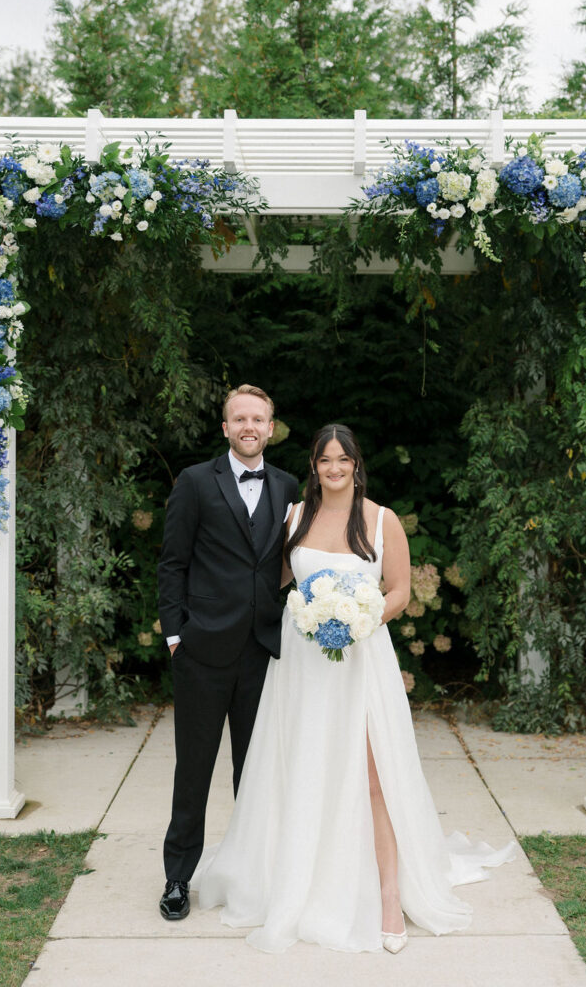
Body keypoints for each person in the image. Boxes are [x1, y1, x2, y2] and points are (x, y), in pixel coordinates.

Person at [190, 423, 516, 952]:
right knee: (302, 770)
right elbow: (266, 578)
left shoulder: (383, 520)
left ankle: (389, 895)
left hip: (361, 661)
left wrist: (362, 619)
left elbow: (401, 590)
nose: (334, 469)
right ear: (313, 467)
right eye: (324, 461)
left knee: (372, 776)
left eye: (343, 460)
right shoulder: (295, 516)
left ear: (356, 464)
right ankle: (300, 883)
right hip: (302, 665)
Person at [156, 384, 298, 921]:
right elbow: (173, 562)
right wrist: (176, 635)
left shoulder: (287, 487)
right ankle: (177, 877)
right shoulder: (195, 482)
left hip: (263, 650)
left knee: (255, 770)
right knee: (193, 768)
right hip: (201, 651)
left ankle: (251, 873)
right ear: (225, 428)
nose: (249, 427)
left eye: (258, 419)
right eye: (239, 418)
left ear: (270, 426)